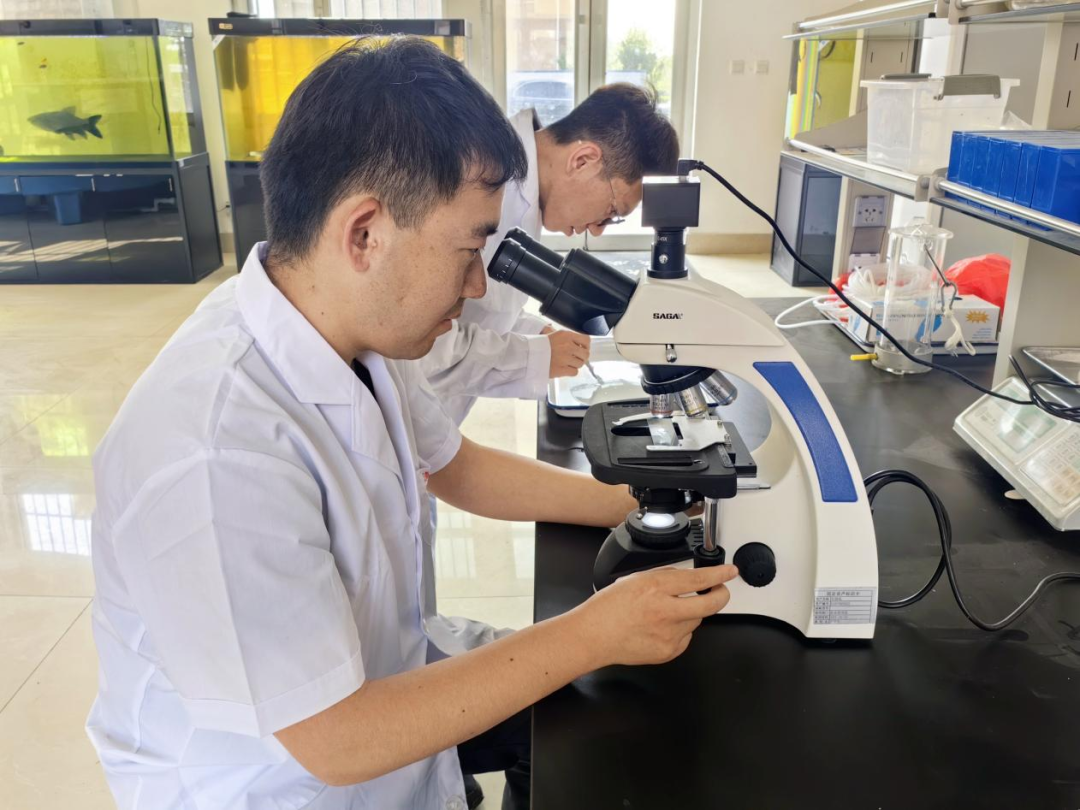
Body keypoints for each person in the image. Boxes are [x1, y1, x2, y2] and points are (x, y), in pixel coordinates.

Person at [86, 37, 737, 810]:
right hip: (279, 785)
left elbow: (456, 466)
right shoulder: (215, 451)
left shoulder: (349, 324)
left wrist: (638, 505)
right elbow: (339, 739)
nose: (478, 286)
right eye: (470, 250)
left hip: (385, 694)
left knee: (600, 716)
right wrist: (592, 632)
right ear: (365, 233)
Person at [419, 84, 681, 426]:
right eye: (611, 212)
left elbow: (484, 311)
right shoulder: (477, 180)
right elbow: (421, 343)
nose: (598, 230)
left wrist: (537, 333)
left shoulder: (525, 190)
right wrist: (535, 356)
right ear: (582, 160)